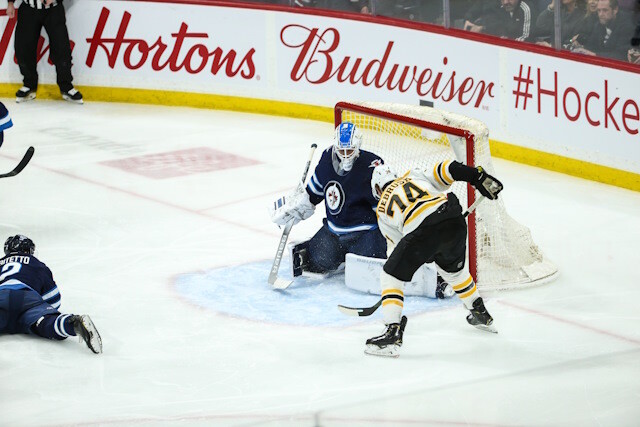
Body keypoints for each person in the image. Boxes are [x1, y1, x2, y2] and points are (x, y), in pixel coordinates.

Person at [363, 160, 503, 357]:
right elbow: (449, 169)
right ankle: (479, 311)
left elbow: (398, 251)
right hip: (453, 218)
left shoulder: (382, 209)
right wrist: (477, 177)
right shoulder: (414, 174)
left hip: (423, 231)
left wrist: (419, 256)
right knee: (454, 273)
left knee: (390, 276)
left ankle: (392, 332)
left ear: (377, 188)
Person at [270, 122, 388, 279]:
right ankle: (342, 255)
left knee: (369, 271)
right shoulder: (327, 159)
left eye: (350, 150)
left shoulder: (372, 165)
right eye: (341, 150)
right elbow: (314, 193)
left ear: (358, 145)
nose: (345, 155)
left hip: (365, 233)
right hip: (334, 232)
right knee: (318, 261)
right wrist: (297, 207)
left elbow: (384, 210)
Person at [0, 235, 102, 353]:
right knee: (45, 323)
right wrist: (44, 310)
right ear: (29, 250)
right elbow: (54, 299)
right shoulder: (37, 264)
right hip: (28, 298)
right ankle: (73, 324)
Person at [6, 0, 83, 104]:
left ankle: (66, 86)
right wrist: (10, 2)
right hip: (28, 9)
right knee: (23, 49)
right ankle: (29, 84)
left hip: (53, 10)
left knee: (61, 48)